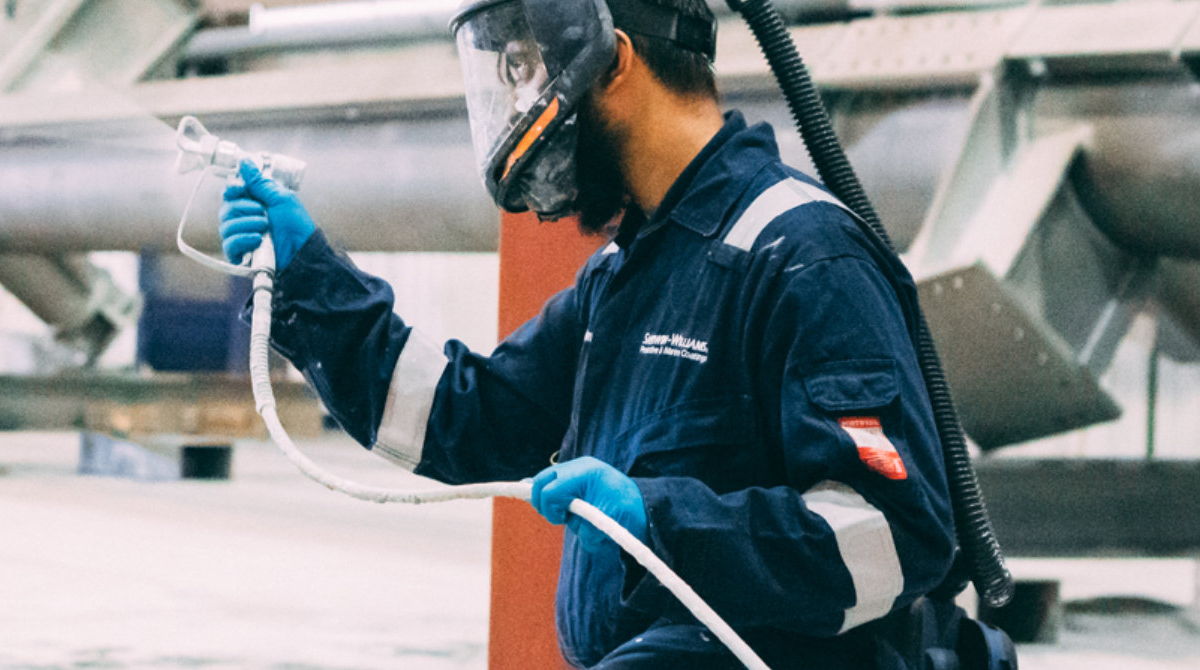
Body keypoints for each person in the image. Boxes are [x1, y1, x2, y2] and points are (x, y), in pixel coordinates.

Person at [218, 0, 962, 667]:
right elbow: (466, 421)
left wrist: (661, 518)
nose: (519, 102)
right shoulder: (628, 271)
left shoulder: (801, 256)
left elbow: (899, 536)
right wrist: (308, 279)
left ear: (615, 59)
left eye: (527, 68)